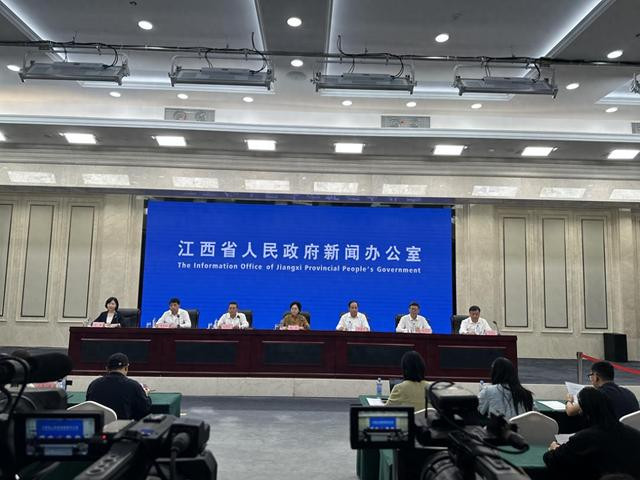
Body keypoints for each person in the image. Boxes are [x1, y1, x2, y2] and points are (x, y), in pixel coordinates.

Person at [544, 387, 640, 480]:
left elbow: (553, 459)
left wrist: (554, 449)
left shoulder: (584, 439)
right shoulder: (635, 435)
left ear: (586, 414)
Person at [86, 353, 151, 421]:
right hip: (123, 426)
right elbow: (145, 408)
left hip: (98, 426)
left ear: (107, 369)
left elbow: (88, 406)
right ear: (126, 368)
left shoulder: (94, 385)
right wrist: (145, 394)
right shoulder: (133, 385)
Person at [565, 361, 639, 419]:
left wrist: (569, 400)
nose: (590, 379)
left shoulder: (596, 395)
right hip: (632, 433)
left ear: (596, 377)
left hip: (609, 433)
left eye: (590, 375)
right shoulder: (629, 393)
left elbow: (570, 411)